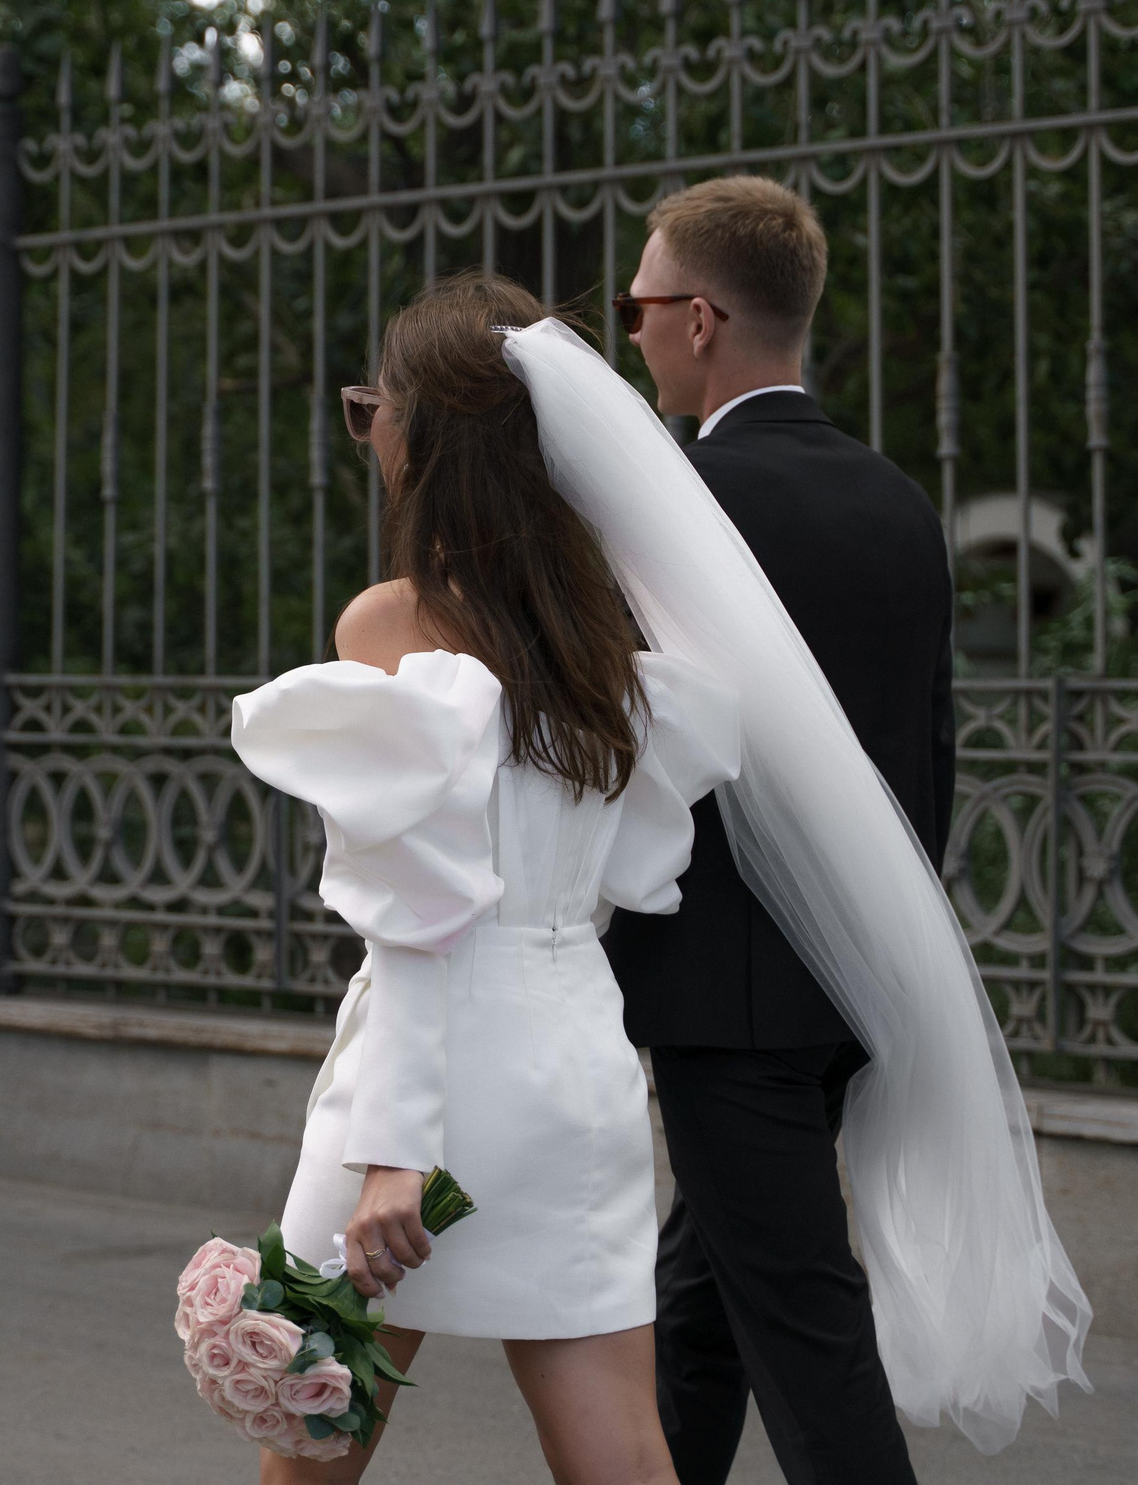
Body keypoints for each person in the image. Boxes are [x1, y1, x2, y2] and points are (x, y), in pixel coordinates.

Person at [232, 271, 743, 1484]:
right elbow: (627, 867)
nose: (369, 437)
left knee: (318, 1428)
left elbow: (421, 921)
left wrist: (395, 1148)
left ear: (424, 437)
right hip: (574, 1061)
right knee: (620, 1447)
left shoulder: (393, 625)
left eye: (373, 409)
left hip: (427, 1077)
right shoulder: (614, 643)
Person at [603, 175, 950, 1485]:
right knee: (702, 1306)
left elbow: (629, 746)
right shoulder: (898, 502)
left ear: (698, 319)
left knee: (808, 1340)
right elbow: (931, 761)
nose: (629, 332)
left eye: (638, 305)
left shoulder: (682, 509)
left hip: (720, 1000)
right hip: (852, 982)